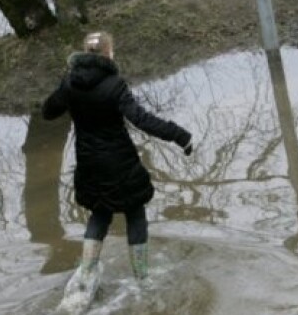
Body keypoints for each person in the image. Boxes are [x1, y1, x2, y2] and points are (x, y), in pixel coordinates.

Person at [42, 31, 193, 284]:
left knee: (100, 212)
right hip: (119, 162)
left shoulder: (69, 83)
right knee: (135, 211)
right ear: (108, 53)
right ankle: (141, 275)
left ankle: (87, 272)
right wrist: (180, 136)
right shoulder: (115, 85)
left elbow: (48, 111)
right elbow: (142, 120)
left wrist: (65, 92)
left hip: (88, 163)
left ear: (84, 54)